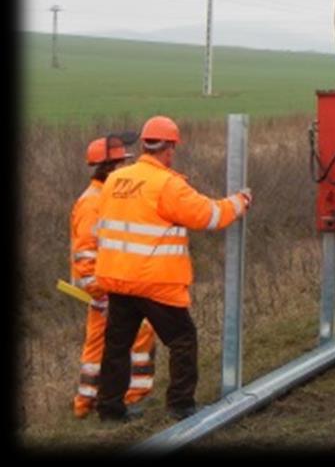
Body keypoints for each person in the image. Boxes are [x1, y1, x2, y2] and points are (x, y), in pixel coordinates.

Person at [94, 115, 253, 422]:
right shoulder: (167, 184)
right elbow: (209, 216)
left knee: (117, 346)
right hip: (155, 282)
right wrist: (240, 201)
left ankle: (109, 409)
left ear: (143, 145)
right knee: (182, 340)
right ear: (169, 148)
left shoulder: (115, 180)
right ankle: (181, 405)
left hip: (117, 278)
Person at [70, 132, 157, 419]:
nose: (126, 168)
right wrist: (98, 290)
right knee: (136, 334)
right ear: (109, 167)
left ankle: (86, 403)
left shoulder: (105, 196)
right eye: (121, 163)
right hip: (101, 287)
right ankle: (133, 395)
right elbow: (85, 255)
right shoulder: (92, 203)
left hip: (106, 285)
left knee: (100, 342)